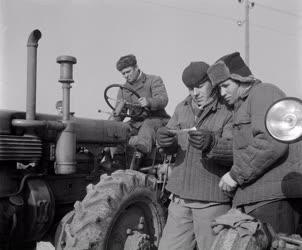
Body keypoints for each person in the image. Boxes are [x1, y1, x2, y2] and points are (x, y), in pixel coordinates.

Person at [207, 51, 302, 234]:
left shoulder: (264, 92)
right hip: (260, 199)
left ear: (241, 79)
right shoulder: (242, 106)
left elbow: (271, 142)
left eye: (226, 85)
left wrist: (235, 175)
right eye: (219, 88)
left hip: (274, 199)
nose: (222, 93)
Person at [156, 61, 233, 250]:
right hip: (179, 200)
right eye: (190, 88)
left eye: (199, 86)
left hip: (212, 202)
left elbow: (236, 150)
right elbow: (171, 142)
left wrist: (212, 144)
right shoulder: (182, 108)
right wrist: (164, 142)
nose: (194, 93)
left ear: (212, 83)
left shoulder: (228, 110)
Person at [112, 54, 170, 166]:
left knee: (148, 125)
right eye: (123, 74)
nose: (125, 76)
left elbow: (163, 100)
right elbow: (119, 114)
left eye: (128, 72)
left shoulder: (153, 80)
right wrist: (112, 124)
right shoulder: (123, 89)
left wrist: (149, 102)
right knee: (119, 129)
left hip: (157, 120)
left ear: (136, 67)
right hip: (136, 123)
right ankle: (116, 160)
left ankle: (140, 156)